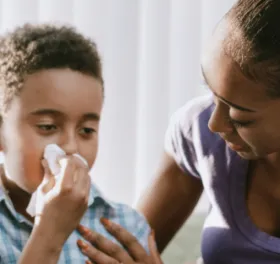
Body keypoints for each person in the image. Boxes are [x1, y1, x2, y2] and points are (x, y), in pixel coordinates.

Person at [77, 0, 280, 263]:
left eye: (240, 118)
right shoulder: (200, 132)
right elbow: (124, 251)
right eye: (211, 92)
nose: (215, 124)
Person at [0, 23, 161, 264]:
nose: (71, 148)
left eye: (86, 130)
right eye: (47, 127)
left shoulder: (125, 226)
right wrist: (49, 235)